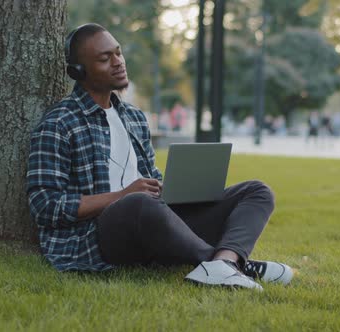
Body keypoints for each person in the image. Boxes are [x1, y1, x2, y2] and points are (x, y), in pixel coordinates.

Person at [27, 23, 293, 290]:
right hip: (98, 236)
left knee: (257, 191)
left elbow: (151, 178)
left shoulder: (133, 117)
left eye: (118, 53)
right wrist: (123, 196)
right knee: (140, 204)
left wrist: (173, 190)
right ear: (79, 72)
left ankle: (224, 262)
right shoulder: (59, 123)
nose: (118, 62)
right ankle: (232, 265)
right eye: (105, 59)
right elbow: (45, 205)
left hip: (154, 220)